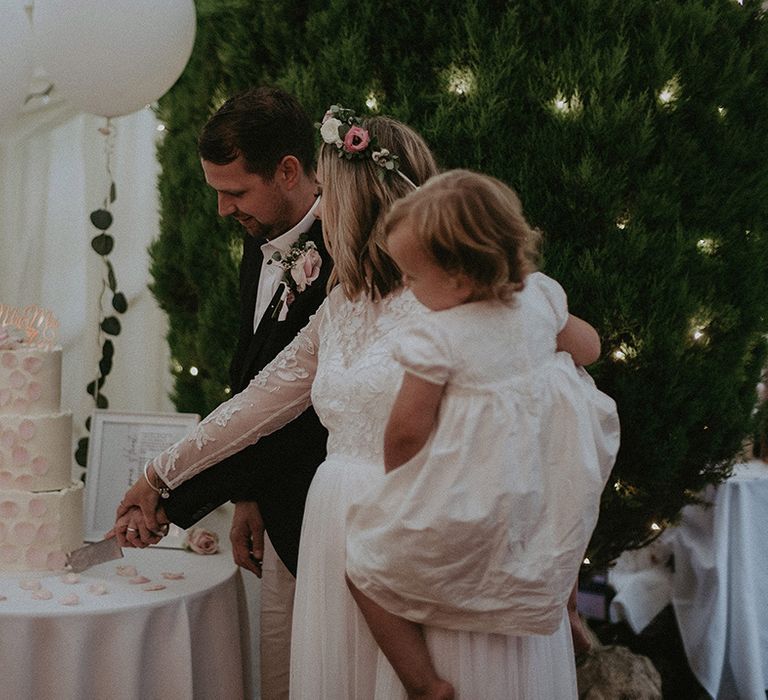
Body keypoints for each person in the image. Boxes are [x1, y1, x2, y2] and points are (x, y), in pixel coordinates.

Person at [114, 108, 615, 698]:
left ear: (354, 200)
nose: (321, 207)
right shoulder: (342, 305)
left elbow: (576, 352)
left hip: (435, 517)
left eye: (327, 193)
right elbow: (259, 403)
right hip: (340, 529)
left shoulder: (473, 295)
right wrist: (159, 474)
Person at [343, 169, 620, 699]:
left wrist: (402, 488)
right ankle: (564, 608)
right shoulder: (540, 297)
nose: (406, 286)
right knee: (556, 536)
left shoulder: (438, 336)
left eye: (412, 277)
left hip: (470, 496)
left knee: (364, 569)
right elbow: (587, 347)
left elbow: (405, 431)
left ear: (458, 280)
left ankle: (424, 685)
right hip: (537, 489)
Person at [114, 86, 332, 700]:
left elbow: (293, 411)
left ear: (289, 171)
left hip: (325, 514)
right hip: (277, 507)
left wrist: (171, 493)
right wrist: (246, 497)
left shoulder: (346, 255)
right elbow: (252, 378)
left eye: (235, 191)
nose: (221, 209)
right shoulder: (260, 238)